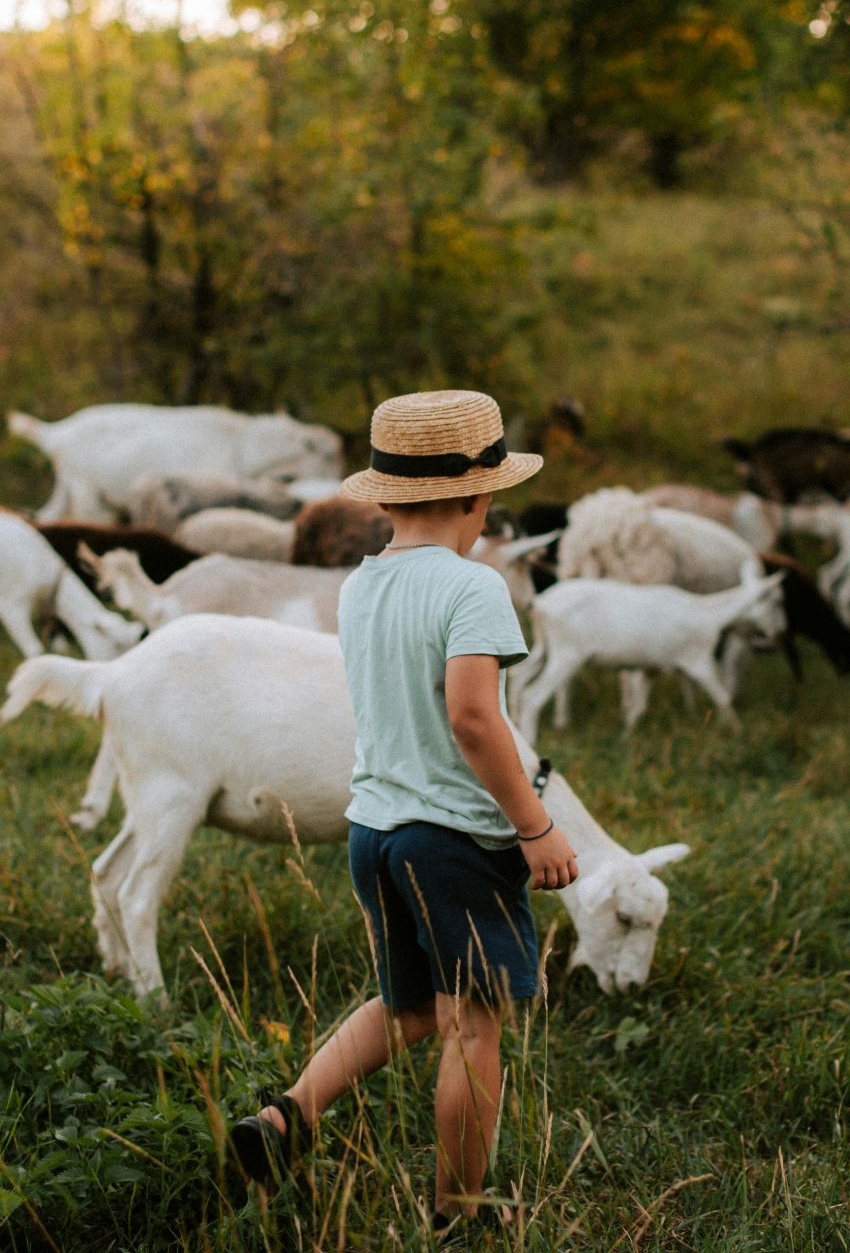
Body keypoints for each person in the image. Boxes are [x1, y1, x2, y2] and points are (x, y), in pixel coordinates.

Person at [227, 389, 578, 1235]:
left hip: (373, 831)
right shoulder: (474, 588)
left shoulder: (362, 585)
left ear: (382, 497)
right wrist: (534, 824)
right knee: (470, 1027)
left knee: (408, 1004)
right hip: (453, 840)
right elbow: (472, 717)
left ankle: (286, 1119)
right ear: (480, 498)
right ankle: (461, 1210)